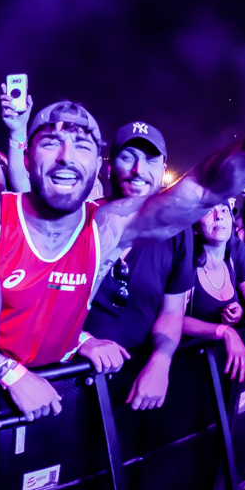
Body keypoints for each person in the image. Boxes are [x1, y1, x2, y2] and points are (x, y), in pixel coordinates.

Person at [0, 13, 245, 417]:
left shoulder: (105, 230)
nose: (65, 157)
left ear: (95, 164)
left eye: (81, 145)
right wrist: (9, 372)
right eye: (51, 142)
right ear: (27, 157)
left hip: (55, 400)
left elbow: (206, 187)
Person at [82, 119, 197, 412]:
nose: (138, 170)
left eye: (150, 159)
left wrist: (161, 359)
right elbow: (47, 304)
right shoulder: (83, 219)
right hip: (72, 378)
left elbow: (172, 311)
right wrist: (82, 341)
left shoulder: (176, 230)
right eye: (127, 156)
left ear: (162, 170)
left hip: (140, 383)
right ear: (109, 167)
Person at [180, 203, 245, 382]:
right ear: (195, 226)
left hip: (226, 366)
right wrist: (224, 331)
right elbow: (174, 318)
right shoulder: (186, 256)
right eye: (209, 211)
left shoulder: (236, 249)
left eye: (224, 210)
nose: (218, 216)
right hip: (189, 365)